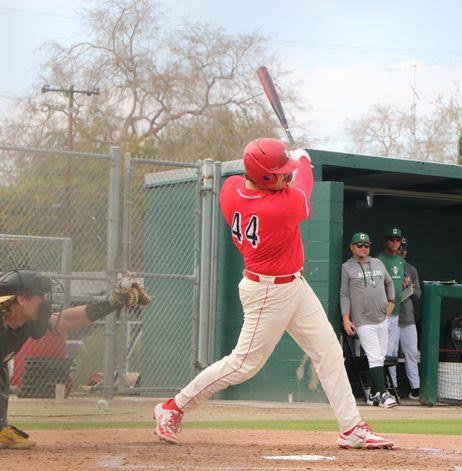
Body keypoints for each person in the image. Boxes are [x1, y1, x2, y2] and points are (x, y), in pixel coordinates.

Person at [153, 138, 392, 449]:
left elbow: (275, 177)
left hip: (294, 285)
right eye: (280, 173)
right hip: (268, 292)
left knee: (329, 351)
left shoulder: (230, 189)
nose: (287, 175)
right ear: (265, 178)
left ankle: (351, 428)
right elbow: (303, 189)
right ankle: (173, 408)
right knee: (243, 364)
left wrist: (284, 162)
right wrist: (303, 159)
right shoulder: (279, 206)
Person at [1, 269, 149, 449]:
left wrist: (112, 303)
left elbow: (69, 320)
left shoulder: (25, 321)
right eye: (39, 296)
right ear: (21, 299)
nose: (44, 300)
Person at [340, 232, 397, 408]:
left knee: (379, 356)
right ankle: (384, 394)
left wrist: (392, 301)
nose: (363, 248)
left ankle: (373, 395)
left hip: (381, 317)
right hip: (362, 320)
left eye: (366, 245)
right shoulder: (347, 267)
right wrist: (346, 318)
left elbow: (389, 282)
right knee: (374, 356)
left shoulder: (378, 263)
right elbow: (344, 295)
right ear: (351, 247)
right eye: (359, 245)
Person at [377, 227, 406, 391]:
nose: (395, 242)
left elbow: (401, 280)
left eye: (397, 240)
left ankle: (392, 386)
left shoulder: (401, 261)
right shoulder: (379, 260)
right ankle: (380, 386)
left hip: (396, 312)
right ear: (386, 241)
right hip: (382, 312)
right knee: (381, 350)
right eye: (391, 239)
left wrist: (405, 282)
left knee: (392, 351)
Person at [398, 237, 421, 400]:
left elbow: (419, 294)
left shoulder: (411, 269)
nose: (402, 251)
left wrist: (410, 285)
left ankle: (415, 388)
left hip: (407, 315)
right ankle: (392, 387)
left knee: (412, 352)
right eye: (400, 248)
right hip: (390, 315)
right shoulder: (384, 264)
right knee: (389, 354)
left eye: (404, 249)